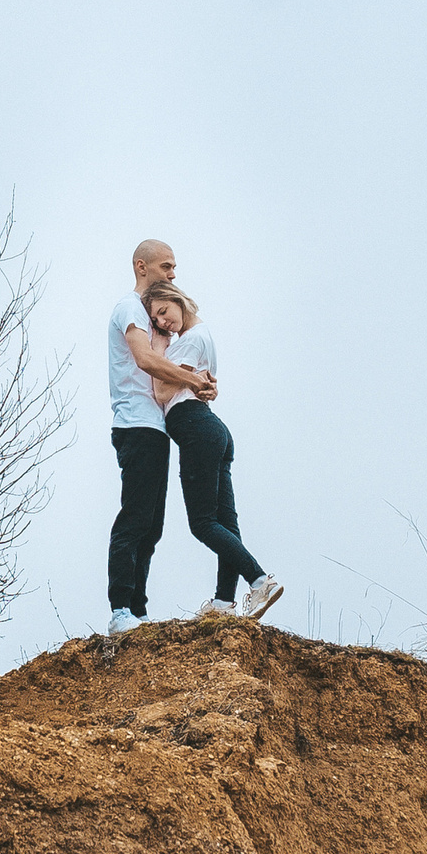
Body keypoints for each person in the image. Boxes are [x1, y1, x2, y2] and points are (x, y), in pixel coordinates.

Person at [142, 280, 282, 622]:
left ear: (176, 300)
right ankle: (223, 603)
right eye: (156, 321)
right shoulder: (199, 338)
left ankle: (259, 580)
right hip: (210, 428)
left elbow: (161, 391)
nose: (162, 323)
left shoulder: (191, 340)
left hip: (196, 428)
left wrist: (158, 350)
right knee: (225, 524)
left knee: (203, 523)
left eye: (163, 312)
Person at [104, 237, 214, 635]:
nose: (172, 274)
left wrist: (200, 383)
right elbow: (145, 360)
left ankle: (139, 611)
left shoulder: (155, 318)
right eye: (166, 266)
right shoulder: (129, 308)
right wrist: (192, 380)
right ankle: (120, 610)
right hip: (134, 424)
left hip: (156, 427)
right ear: (141, 266)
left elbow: (172, 362)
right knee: (134, 518)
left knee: (152, 525)